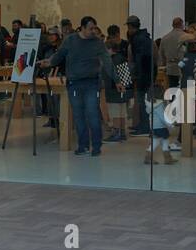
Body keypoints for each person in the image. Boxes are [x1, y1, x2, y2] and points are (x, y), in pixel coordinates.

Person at [44, 16, 112, 156]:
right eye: (90, 28)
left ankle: (97, 146)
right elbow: (60, 55)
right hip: (74, 83)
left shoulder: (97, 42)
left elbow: (107, 61)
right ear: (82, 28)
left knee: (92, 114)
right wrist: (49, 62)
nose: (93, 31)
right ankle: (83, 145)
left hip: (92, 83)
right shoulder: (70, 40)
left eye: (94, 28)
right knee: (79, 115)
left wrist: (116, 80)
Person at [124, 16, 153, 135]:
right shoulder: (145, 38)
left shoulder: (137, 39)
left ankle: (144, 126)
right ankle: (142, 124)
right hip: (147, 72)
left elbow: (139, 59)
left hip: (143, 74)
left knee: (141, 101)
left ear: (130, 26)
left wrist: (137, 74)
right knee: (142, 100)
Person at [103, 35, 132, 142]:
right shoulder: (121, 58)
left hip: (114, 89)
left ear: (110, 49)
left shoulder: (111, 60)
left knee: (114, 112)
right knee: (122, 111)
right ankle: (122, 132)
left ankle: (116, 133)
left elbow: (109, 75)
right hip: (124, 89)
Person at [144, 82, 176, 164]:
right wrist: (170, 124)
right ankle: (151, 157)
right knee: (157, 142)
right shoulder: (159, 105)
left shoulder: (151, 104)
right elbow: (163, 117)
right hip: (160, 126)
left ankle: (167, 158)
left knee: (164, 141)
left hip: (154, 126)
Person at [158, 17, 189, 94]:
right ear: (182, 25)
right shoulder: (187, 37)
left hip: (170, 69)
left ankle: (173, 104)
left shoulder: (165, 38)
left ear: (172, 25)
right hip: (184, 68)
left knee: (173, 91)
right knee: (185, 92)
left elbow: (161, 56)